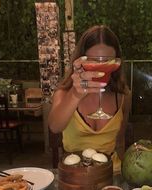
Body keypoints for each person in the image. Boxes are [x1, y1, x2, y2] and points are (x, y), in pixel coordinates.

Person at [48, 25, 131, 174]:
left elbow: (120, 141)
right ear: (80, 60)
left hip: (112, 173)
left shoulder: (123, 96)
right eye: (93, 60)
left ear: (116, 62)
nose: (100, 66)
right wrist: (75, 94)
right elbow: (54, 127)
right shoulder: (64, 93)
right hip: (75, 175)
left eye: (107, 60)